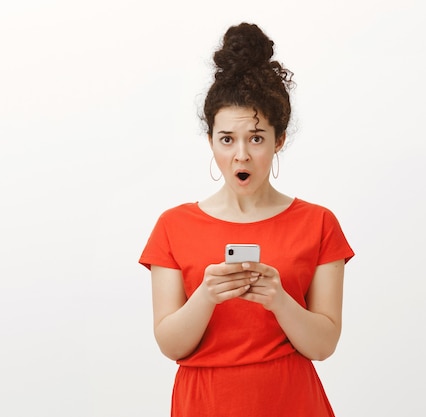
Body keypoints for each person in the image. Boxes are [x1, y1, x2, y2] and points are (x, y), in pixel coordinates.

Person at [138, 22, 354, 417]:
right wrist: (206, 294)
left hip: (292, 402)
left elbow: (323, 346)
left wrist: (280, 301)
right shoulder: (172, 226)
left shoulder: (319, 223)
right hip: (204, 403)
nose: (241, 155)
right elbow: (171, 345)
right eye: (227, 139)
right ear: (210, 141)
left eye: (256, 138)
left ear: (279, 139)